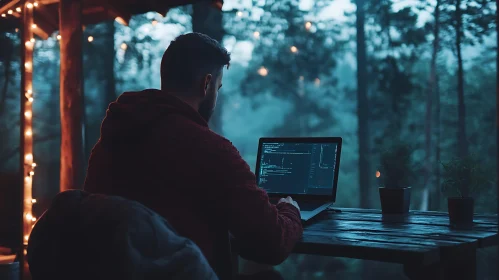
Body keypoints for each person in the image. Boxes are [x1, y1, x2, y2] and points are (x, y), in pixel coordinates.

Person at [83, 32, 303, 280]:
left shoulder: (109, 142)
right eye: (218, 88)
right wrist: (289, 210)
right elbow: (272, 244)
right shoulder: (212, 151)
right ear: (206, 84)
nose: (216, 97)